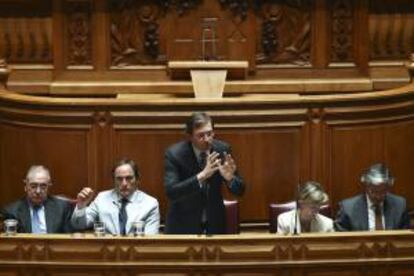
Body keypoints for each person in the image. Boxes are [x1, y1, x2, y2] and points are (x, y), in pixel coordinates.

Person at [164, 112, 245, 234]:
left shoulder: (222, 149)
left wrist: (230, 179)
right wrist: (202, 176)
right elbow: (171, 192)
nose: (207, 139)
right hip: (182, 226)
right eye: (201, 135)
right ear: (190, 136)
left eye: (210, 133)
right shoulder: (175, 154)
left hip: (214, 225)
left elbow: (240, 191)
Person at [71, 159, 160, 235]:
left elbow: (150, 240)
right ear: (113, 180)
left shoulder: (150, 203)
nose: (124, 183)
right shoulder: (102, 198)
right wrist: (81, 206)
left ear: (137, 179)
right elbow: (79, 225)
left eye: (129, 178)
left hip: (137, 252)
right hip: (107, 251)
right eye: (119, 179)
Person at [334, 163, 410, 231]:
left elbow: (405, 239)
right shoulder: (348, 208)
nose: (378, 196)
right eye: (374, 191)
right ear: (366, 186)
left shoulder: (400, 205)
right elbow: (342, 241)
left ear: (388, 188)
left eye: (383, 191)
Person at [1, 165, 73, 233]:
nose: (38, 191)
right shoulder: (12, 211)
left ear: (49, 187)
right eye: (33, 186)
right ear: (26, 186)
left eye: (43, 186)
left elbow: (68, 240)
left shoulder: (62, 208)